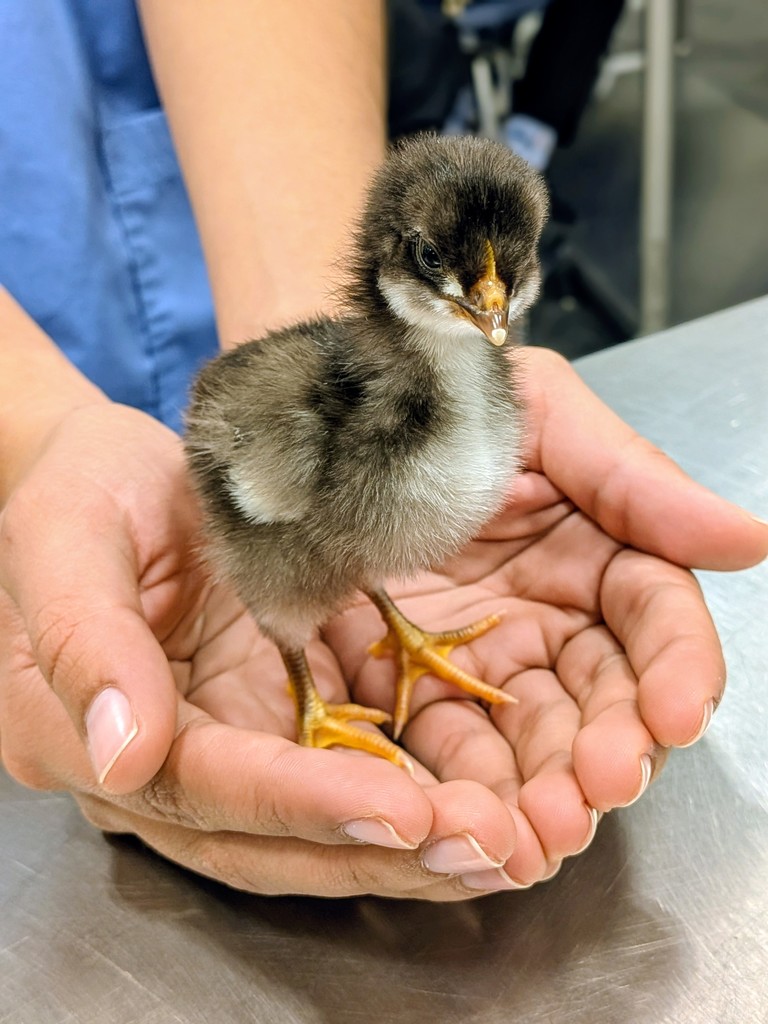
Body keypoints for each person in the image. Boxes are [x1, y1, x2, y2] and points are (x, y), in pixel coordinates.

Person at [0, 0, 765, 900]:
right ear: (397, 262)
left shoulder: (469, 366)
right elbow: (260, 460)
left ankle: (399, 631)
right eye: (463, 280)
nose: (492, 311)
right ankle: (313, 697)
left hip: (254, 214)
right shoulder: (298, 428)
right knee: (304, 517)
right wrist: (37, 431)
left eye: (505, 283)